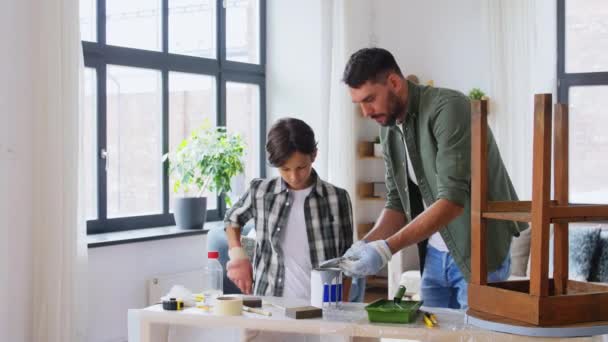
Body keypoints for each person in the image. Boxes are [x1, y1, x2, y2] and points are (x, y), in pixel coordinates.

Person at [339, 48, 527, 309]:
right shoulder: (390, 131)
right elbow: (396, 203)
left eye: (369, 99)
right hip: (436, 254)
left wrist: (385, 249)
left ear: (394, 82)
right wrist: (365, 244)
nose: (365, 112)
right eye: (358, 103)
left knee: (475, 338)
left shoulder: (449, 109)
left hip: (478, 252)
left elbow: (452, 200)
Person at [224, 117, 355, 301]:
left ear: (314, 155)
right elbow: (231, 219)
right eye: (285, 169)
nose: (294, 176)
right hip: (269, 305)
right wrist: (237, 255)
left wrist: (342, 307)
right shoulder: (260, 192)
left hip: (322, 307)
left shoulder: (337, 197)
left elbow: (347, 260)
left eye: (301, 167)